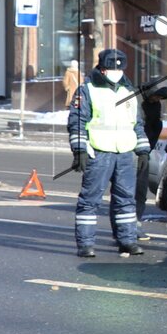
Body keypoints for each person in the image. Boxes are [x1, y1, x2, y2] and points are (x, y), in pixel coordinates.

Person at [67, 49, 149, 258]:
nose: (117, 72)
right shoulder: (87, 90)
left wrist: (142, 150)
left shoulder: (128, 91)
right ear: (102, 69)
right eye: (112, 69)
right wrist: (79, 150)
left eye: (120, 69)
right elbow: (77, 121)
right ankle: (85, 244)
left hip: (124, 152)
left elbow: (137, 123)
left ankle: (127, 240)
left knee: (125, 199)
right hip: (99, 152)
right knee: (90, 199)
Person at [134, 79, 167, 223]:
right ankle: (125, 227)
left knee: (141, 190)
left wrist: (148, 147)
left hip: (144, 151)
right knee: (127, 190)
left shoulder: (155, 105)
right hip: (128, 149)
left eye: (160, 99)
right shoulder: (134, 99)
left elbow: (156, 126)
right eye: (156, 96)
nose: (157, 100)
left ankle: (136, 220)